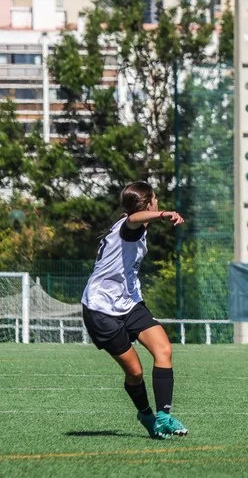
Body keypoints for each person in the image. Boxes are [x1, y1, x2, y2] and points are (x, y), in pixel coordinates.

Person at [81, 181, 189, 439]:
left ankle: (164, 416)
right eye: (156, 200)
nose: (158, 203)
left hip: (129, 303)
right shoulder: (130, 226)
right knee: (135, 372)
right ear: (148, 203)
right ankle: (147, 415)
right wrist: (164, 215)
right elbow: (135, 218)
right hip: (101, 310)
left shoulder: (136, 229)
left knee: (163, 349)